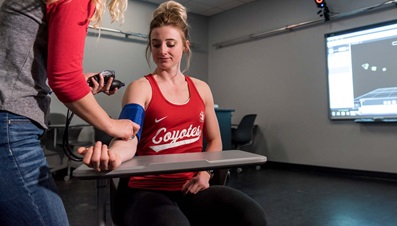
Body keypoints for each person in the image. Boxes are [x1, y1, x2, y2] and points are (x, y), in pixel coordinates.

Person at [78, 1, 267, 225]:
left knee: (251, 215)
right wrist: (114, 156)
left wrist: (204, 174)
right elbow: (129, 136)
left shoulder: (202, 89)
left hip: (190, 186)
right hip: (147, 190)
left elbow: (215, 141)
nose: (162, 51)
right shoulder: (141, 87)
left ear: (185, 46)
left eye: (170, 44)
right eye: (156, 44)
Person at [0, 0, 140, 225]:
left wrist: (79, 80)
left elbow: (21, 63)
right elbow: (64, 79)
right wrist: (113, 124)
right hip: (11, 126)